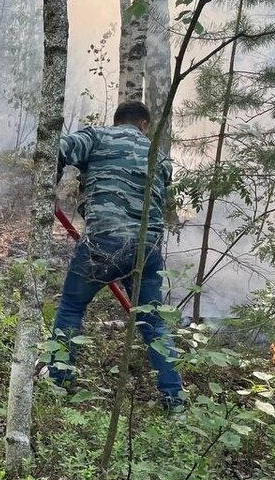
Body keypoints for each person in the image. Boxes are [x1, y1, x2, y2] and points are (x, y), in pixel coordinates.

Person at [44, 100, 185, 411]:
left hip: (103, 243)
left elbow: (58, 147)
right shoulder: (160, 159)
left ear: (117, 120)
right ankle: (174, 401)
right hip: (147, 251)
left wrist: (48, 190)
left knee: (70, 307)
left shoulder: (97, 137)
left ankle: (58, 382)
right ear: (144, 125)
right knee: (153, 323)